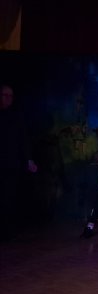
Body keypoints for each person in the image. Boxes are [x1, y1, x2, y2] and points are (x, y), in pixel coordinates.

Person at [0, 85, 37, 239]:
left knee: (8, 197)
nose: (8, 98)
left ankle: (6, 230)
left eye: (11, 96)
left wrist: (29, 160)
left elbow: (23, 141)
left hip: (10, 164)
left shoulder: (16, 117)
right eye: (5, 95)